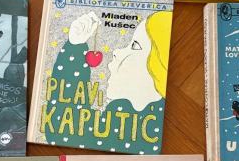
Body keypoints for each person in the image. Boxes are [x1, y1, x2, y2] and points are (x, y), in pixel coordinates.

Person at [43, 9, 171, 153]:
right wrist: (76, 45)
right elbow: (65, 130)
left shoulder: (155, 127)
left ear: (159, 65)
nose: (116, 52)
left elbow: (62, 133)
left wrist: (75, 49)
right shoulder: (120, 112)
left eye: (135, 46)